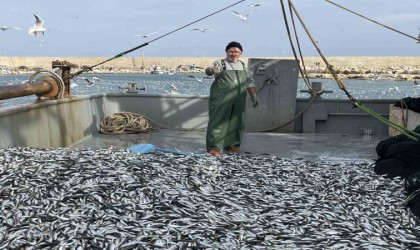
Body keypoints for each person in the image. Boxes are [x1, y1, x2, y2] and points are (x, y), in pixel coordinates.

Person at [204, 41, 258, 156]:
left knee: (236, 122)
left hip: (239, 99)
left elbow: (250, 82)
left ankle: (232, 146)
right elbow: (208, 72)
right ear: (227, 52)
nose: (233, 54)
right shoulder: (220, 63)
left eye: (236, 51)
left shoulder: (244, 66)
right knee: (217, 121)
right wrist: (212, 70)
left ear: (241, 52)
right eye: (231, 51)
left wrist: (254, 96)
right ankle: (214, 148)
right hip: (221, 98)